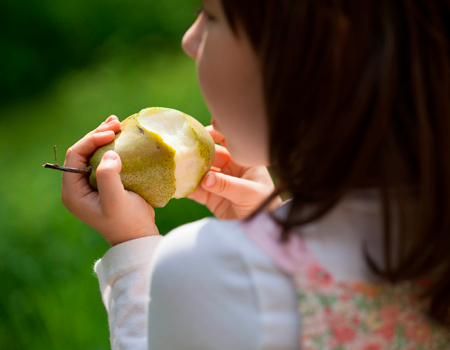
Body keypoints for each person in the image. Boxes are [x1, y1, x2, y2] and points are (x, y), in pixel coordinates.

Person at [60, 0, 450, 349]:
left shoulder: (203, 268)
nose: (189, 40)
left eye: (211, 15)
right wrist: (268, 228)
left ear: (320, 49)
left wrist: (133, 248)